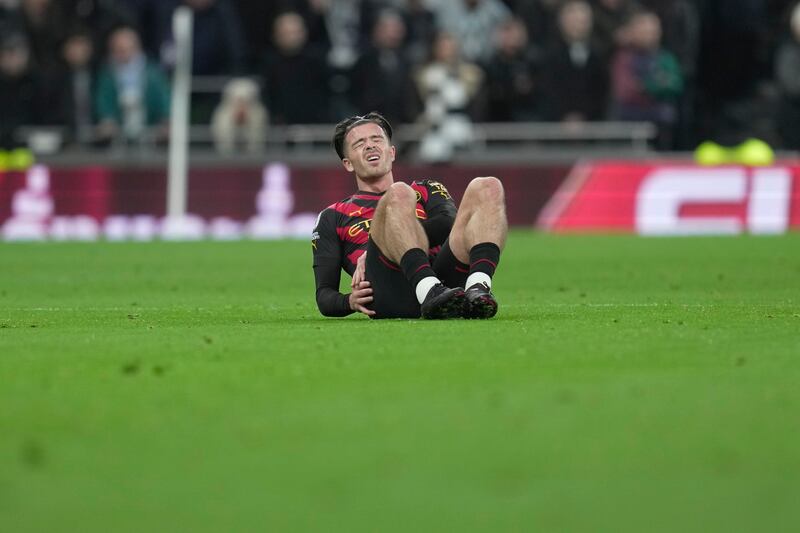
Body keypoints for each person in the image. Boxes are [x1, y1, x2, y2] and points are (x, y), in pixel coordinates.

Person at [311, 111, 507, 320]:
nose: (370, 145)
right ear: (348, 163)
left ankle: (477, 288)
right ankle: (428, 290)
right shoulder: (333, 216)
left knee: (488, 186)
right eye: (359, 144)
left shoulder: (426, 188)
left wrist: (388, 239)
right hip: (391, 293)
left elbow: (448, 222)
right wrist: (348, 301)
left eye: (376, 139)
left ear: (392, 152)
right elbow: (324, 294)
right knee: (399, 192)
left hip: (447, 284)